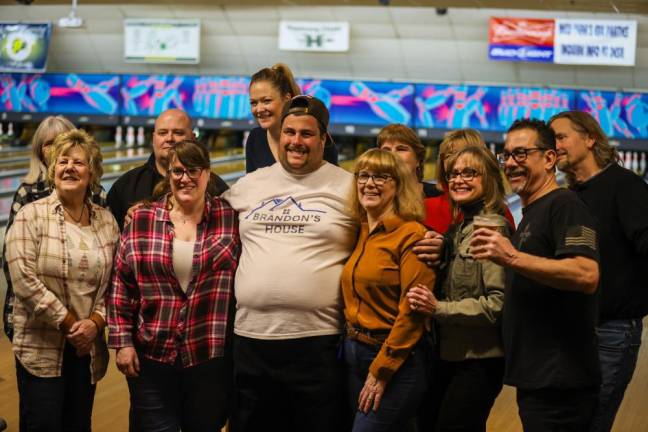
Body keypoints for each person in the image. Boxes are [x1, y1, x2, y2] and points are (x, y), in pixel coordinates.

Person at [222, 95, 357, 432]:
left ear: (324, 139)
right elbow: (197, 216)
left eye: (307, 134)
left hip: (317, 344)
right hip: (251, 342)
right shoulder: (249, 185)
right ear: (279, 135)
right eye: (290, 132)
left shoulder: (348, 186)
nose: (296, 141)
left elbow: (390, 225)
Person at [470, 119, 600, 431]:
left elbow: (586, 274)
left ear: (550, 158)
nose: (511, 163)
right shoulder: (533, 212)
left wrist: (511, 256)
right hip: (539, 378)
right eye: (507, 156)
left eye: (522, 154)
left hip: (561, 383)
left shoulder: (566, 205)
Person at [107, 140, 240, 432]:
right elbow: (121, 285)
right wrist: (123, 342)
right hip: (152, 355)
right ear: (168, 174)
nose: (185, 178)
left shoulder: (230, 217)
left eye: (194, 170)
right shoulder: (142, 219)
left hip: (208, 355)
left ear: (207, 173)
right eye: (178, 170)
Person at [5, 129, 119, 432]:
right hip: (41, 346)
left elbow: (116, 282)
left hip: (87, 350)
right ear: (53, 168)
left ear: (92, 171)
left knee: (78, 425)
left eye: (79, 163)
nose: (69, 167)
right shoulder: (31, 216)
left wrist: (95, 322)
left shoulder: (107, 222)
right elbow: (23, 280)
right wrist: (71, 325)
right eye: (62, 161)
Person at [549, 111, 648, 432]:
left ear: (590, 138)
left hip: (612, 332)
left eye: (561, 137)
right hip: (570, 330)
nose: (555, 145)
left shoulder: (626, 185)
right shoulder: (568, 197)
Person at [407, 146, 509, 431]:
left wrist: (437, 308)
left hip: (479, 361)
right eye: (453, 174)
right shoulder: (460, 228)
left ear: (488, 178)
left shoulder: (490, 230)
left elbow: (497, 304)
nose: (458, 180)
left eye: (469, 173)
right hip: (451, 354)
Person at [341, 148, 435, 431]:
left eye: (382, 177)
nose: (370, 183)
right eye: (364, 176)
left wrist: (381, 371)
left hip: (396, 359)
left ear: (398, 185)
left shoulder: (412, 234)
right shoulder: (360, 231)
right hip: (354, 351)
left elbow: (413, 312)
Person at [2, 116, 107, 342]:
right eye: (48, 144)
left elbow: (109, 264)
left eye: (60, 141)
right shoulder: (27, 194)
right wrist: (63, 319)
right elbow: (14, 265)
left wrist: (91, 322)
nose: (55, 149)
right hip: (34, 324)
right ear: (39, 151)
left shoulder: (98, 198)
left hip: (86, 325)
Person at [107, 108, 228, 230]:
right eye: (162, 133)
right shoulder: (125, 186)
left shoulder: (216, 187)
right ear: (153, 138)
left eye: (178, 133)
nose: (169, 138)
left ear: (193, 138)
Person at [246, 63, 338, 173]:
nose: (259, 109)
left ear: (286, 99)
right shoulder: (255, 138)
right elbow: (251, 185)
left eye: (267, 101)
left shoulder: (315, 139)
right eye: (253, 103)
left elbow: (332, 185)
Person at [376, 123, 439, 198]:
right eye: (386, 150)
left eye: (401, 149)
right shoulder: (371, 195)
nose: (393, 155)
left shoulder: (439, 194)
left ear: (418, 159)